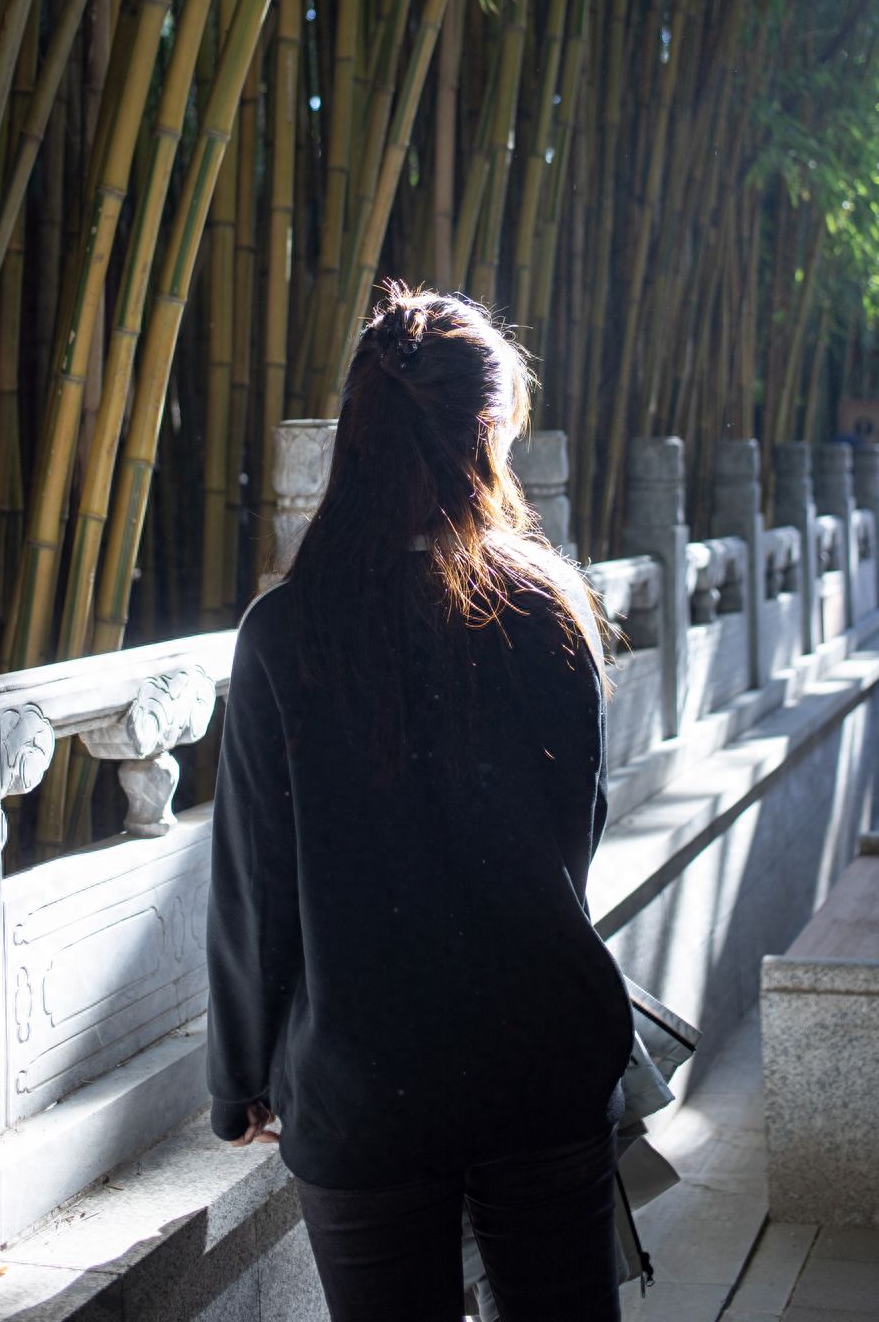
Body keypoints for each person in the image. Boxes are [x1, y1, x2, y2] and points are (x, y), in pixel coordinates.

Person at [205, 283, 635, 1322]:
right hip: (543, 1054)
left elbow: (256, 884)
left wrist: (239, 1079)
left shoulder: (287, 633)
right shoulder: (549, 609)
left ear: (355, 435)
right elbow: (574, 834)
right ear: (487, 436)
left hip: (365, 1087)